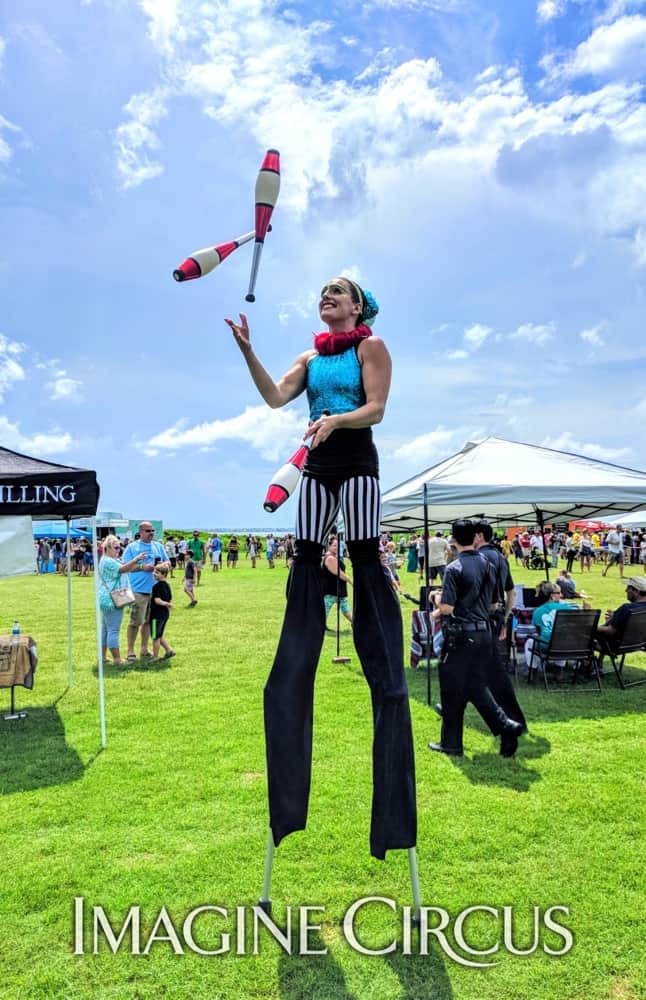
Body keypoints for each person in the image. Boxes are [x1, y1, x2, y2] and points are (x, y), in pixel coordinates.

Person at [225, 275, 416, 861]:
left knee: (362, 553)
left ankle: (375, 635)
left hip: (356, 463)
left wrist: (335, 420)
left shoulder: (370, 348)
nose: (327, 297)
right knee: (306, 557)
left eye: (338, 291)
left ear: (358, 306)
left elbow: (376, 409)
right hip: (315, 467)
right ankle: (301, 635)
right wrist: (249, 352)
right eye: (323, 292)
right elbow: (274, 398)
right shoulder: (310, 357)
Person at [428, 519, 523, 758]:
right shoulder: (488, 563)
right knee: (474, 686)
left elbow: (447, 608)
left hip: (461, 635)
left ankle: (461, 740)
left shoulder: (454, 568)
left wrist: (434, 598)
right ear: (475, 537)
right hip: (484, 632)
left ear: (454, 539)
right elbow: (493, 601)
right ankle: (502, 726)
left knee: (451, 688)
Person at [122, 522, 170, 661]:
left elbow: (168, 563)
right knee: (136, 621)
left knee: (148, 621)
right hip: (138, 590)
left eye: (152, 530)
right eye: (148, 531)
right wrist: (143, 567)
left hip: (155, 591)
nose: (151, 533)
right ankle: (130, 651)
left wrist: (162, 565)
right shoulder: (132, 547)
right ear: (141, 532)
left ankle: (144, 648)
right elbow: (125, 567)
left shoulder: (158, 546)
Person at [98, 535, 147, 664]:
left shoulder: (107, 559)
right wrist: (136, 559)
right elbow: (123, 569)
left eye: (119, 548)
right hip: (112, 599)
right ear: (107, 548)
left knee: (106, 629)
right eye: (116, 548)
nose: (118, 550)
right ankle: (117, 659)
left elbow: (126, 567)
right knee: (113, 630)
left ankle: (103, 657)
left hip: (107, 598)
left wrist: (139, 565)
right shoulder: (109, 561)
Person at [524, 581, 588, 671]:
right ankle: (559, 671)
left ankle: (533, 671)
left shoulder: (537, 611)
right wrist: (586, 611)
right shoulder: (566, 608)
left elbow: (538, 631)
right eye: (558, 593)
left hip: (547, 646)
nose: (561, 595)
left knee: (530, 642)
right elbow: (581, 623)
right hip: (567, 646)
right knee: (561, 636)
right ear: (552, 596)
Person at [596, 576, 646, 654]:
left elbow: (610, 631)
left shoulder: (627, 608)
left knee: (584, 634)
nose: (626, 590)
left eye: (628, 588)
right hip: (639, 643)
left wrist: (591, 628)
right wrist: (615, 618)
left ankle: (584, 660)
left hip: (617, 645)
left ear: (637, 591)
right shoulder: (639, 609)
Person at [322, 536, 353, 630]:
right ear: (329, 546)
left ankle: (356, 623)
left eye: (338, 545)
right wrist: (350, 581)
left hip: (338, 589)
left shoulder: (334, 556)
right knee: (325, 610)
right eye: (334, 545)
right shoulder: (330, 558)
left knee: (345, 609)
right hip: (332, 590)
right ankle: (319, 625)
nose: (337, 547)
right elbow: (338, 572)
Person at [150, 563, 176, 660]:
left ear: (164, 574)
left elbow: (157, 600)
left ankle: (155, 657)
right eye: (154, 571)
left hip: (155, 615)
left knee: (155, 636)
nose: (154, 574)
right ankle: (169, 650)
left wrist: (165, 603)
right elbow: (170, 598)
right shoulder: (167, 586)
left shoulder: (156, 587)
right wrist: (168, 604)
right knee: (159, 634)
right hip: (164, 614)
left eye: (157, 572)